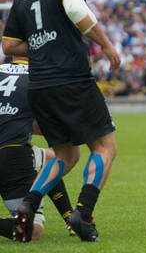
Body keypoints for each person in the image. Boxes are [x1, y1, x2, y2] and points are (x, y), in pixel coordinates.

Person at [2, 0, 121, 242]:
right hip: (71, 78)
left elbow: (9, 45)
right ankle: (83, 212)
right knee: (104, 147)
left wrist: (41, 47)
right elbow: (73, 7)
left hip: (40, 85)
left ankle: (29, 204)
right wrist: (106, 45)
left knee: (66, 154)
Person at [0, 57, 74, 242]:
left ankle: (70, 218)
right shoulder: (39, 78)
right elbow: (47, 124)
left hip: (10, 152)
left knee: (48, 159)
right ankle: (73, 219)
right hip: (11, 156)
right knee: (32, 231)